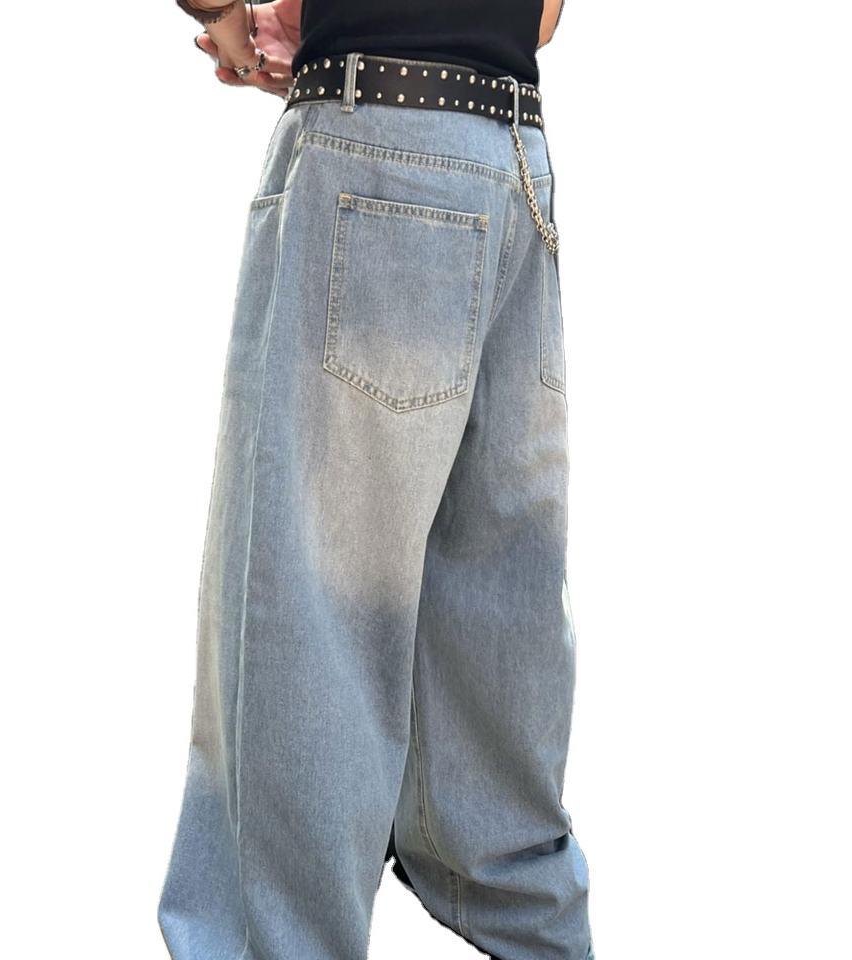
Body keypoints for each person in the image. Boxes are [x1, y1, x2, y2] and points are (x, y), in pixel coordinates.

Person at [158, 3, 594, 959]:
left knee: (305, 627)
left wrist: (228, 17)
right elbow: (543, 15)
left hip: (374, 147)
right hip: (512, 161)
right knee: (496, 631)